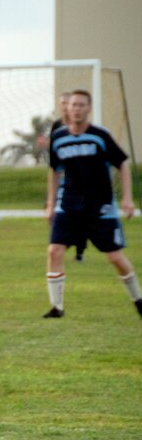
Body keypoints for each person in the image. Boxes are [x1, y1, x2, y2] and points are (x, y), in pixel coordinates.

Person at [43, 89, 141, 319]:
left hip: (100, 206)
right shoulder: (58, 138)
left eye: (81, 105)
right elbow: (54, 171)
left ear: (89, 108)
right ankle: (57, 307)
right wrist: (50, 204)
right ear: (67, 108)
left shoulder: (100, 135)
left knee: (115, 257)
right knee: (54, 251)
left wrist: (127, 198)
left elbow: (123, 164)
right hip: (68, 205)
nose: (76, 108)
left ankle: (138, 299)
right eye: (73, 105)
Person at [48, 92, 87, 262]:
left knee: (83, 216)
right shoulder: (57, 126)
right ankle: (62, 244)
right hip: (62, 179)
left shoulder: (81, 126)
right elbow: (54, 154)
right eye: (62, 103)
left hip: (81, 182)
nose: (65, 106)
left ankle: (80, 250)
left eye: (67, 102)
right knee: (61, 215)